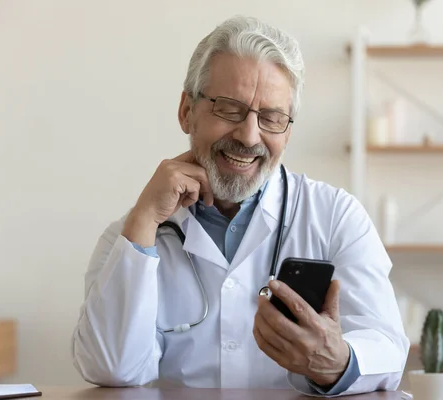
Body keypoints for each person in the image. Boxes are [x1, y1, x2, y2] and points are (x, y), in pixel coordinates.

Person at [71, 15, 409, 397]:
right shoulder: (131, 234)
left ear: (289, 129)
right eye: (229, 109)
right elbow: (108, 367)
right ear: (186, 111)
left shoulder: (334, 216)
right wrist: (144, 219)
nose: (249, 136)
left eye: (271, 117)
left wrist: (339, 360)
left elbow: (388, 349)